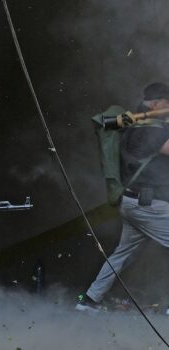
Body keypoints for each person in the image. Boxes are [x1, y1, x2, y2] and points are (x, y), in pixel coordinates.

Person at [76, 82, 169, 313]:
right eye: (167, 104)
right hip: (148, 205)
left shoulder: (136, 123)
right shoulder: (152, 129)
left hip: (134, 202)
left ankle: (89, 301)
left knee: (122, 254)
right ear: (156, 103)